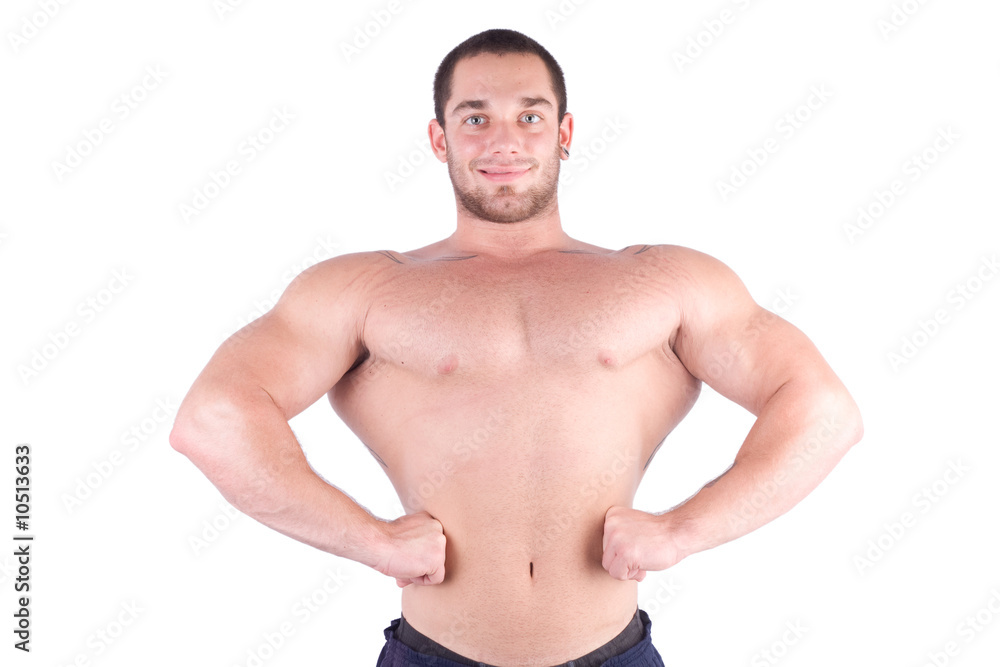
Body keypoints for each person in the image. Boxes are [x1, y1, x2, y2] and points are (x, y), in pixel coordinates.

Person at [170, 28, 863, 667]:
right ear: (440, 139)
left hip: (611, 651)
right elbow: (214, 418)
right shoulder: (365, 289)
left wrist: (683, 529)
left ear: (563, 133)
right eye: (475, 117)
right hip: (435, 652)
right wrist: (371, 539)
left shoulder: (662, 281)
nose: (504, 141)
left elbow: (822, 410)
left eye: (529, 116)